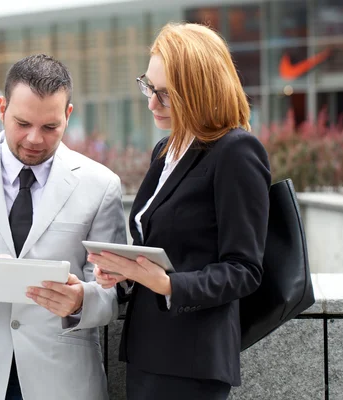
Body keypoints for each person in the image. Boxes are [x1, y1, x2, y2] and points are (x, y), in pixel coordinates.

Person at [0, 54, 127, 400]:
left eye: (50, 127)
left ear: (68, 115)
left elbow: (111, 292)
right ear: (2, 108)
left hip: (67, 381)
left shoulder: (101, 184)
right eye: (22, 123)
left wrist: (79, 301)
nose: (34, 139)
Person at [90, 23, 271, 400]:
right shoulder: (166, 150)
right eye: (148, 87)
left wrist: (168, 284)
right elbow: (155, 243)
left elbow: (245, 269)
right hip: (147, 351)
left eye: (165, 95)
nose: (152, 103)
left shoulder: (236, 152)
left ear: (200, 94)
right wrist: (123, 275)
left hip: (193, 363)